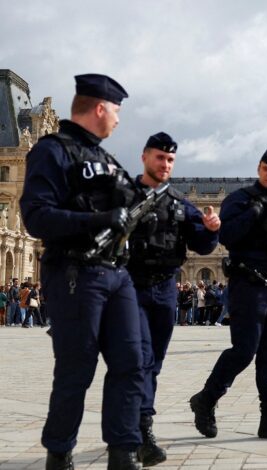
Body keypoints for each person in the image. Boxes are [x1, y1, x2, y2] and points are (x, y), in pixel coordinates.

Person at [21, 74, 146, 468]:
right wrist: (99, 220)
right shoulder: (52, 151)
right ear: (99, 108)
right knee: (77, 367)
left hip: (116, 273)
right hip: (75, 271)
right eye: (116, 111)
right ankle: (59, 452)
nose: (119, 120)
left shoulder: (108, 159)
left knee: (132, 360)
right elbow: (36, 217)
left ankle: (124, 449)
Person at [189, 144, 267, 441]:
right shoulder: (240, 200)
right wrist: (255, 215)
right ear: (259, 169)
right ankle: (207, 399)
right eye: (266, 169)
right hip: (249, 284)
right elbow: (225, 236)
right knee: (244, 350)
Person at [127, 132, 220, 466]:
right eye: (159, 158)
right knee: (139, 359)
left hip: (166, 287)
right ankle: (139, 431)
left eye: (170, 160)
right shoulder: (124, 196)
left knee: (154, 361)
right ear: (144, 157)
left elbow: (204, 246)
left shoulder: (179, 203)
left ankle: (139, 426)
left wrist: (211, 228)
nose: (165, 164)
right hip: (131, 286)